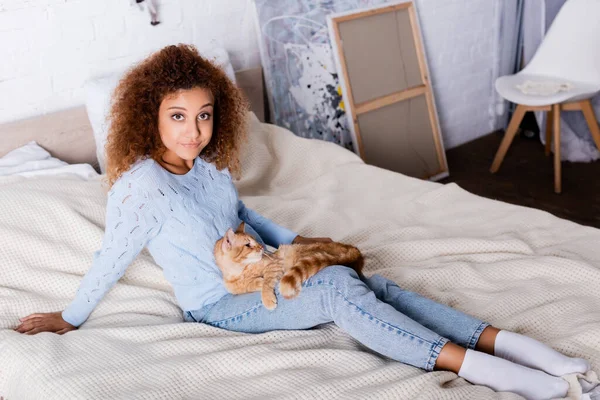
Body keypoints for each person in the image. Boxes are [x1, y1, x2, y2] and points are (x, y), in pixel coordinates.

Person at [14, 44, 589, 399]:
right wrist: (69, 316)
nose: (194, 131)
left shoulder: (208, 166)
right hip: (221, 303)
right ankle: (491, 372)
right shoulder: (142, 188)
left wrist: (302, 247)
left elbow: (241, 214)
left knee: (368, 282)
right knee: (340, 290)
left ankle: (512, 344)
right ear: (151, 118)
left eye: (205, 116)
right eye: (178, 117)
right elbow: (111, 256)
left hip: (267, 269)